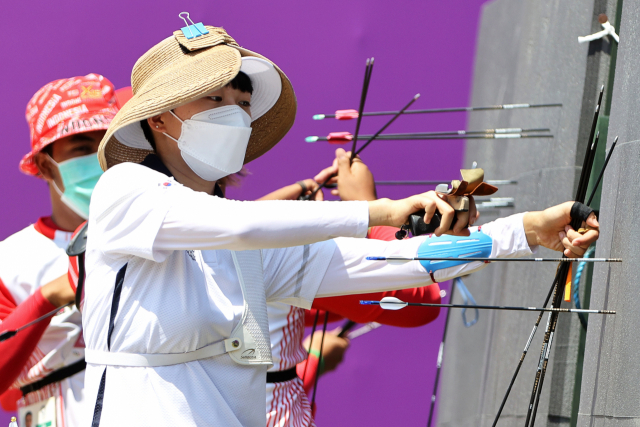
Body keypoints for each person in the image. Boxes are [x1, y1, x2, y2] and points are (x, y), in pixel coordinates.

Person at [81, 23, 599, 427]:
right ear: (159, 118)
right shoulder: (124, 189)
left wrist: (526, 231)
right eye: (214, 99)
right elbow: (235, 224)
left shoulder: (250, 247)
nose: (235, 116)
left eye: (242, 104)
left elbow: (390, 263)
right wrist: (383, 210)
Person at [258, 149, 443, 426]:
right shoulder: (261, 258)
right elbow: (419, 301)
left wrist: (297, 197)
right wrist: (369, 210)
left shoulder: (187, 253)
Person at [0, 74, 129, 427]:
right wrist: (52, 295)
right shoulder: (9, 262)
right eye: (83, 148)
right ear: (45, 165)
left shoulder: (159, 235)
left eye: (108, 146)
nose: (100, 160)